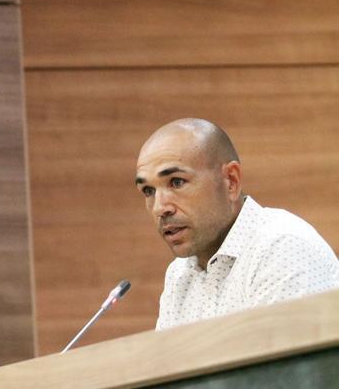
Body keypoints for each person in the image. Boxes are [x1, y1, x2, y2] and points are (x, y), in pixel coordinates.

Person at [134, 118, 339, 330]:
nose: (160, 208)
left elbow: (278, 361)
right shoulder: (179, 274)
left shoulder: (283, 247)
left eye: (177, 182)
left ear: (231, 181)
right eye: (149, 191)